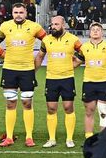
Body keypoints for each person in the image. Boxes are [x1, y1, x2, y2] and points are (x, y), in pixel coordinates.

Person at [0, 3, 46, 147]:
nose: (18, 14)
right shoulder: (5, 26)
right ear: (12, 13)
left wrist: (39, 57)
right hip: (9, 69)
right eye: (16, 12)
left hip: (27, 70)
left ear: (26, 13)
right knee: (10, 103)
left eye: (21, 12)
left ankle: (29, 137)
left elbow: (48, 41)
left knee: (27, 103)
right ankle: (9, 137)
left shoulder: (35, 27)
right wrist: (1, 54)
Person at [36, 16, 83, 148]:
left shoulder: (73, 39)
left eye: (56, 24)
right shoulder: (46, 40)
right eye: (52, 24)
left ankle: (69, 139)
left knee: (68, 108)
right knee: (51, 109)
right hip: (51, 79)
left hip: (67, 79)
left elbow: (84, 53)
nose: (53, 27)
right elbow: (40, 56)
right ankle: (51, 139)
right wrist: (32, 73)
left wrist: (76, 63)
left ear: (64, 25)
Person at [77, 22, 106, 139]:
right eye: (93, 29)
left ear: (102, 32)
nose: (95, 31)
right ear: (89, 33)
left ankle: (103, 139)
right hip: (88, 82)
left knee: (103, 112)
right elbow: (76, 62)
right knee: (89, 111)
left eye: (98, 29)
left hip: (104, 82)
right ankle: (89, 138)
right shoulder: (84, 47)